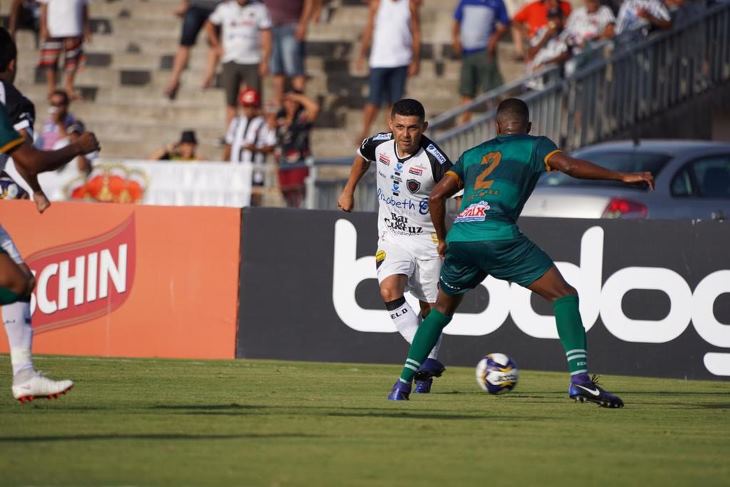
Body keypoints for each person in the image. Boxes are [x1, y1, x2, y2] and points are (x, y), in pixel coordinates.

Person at [387, 98, 654, 407]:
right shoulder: (535, 145)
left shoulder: (472, 154)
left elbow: (436, 196)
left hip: (462, 236)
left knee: (440, 312)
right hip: (499, 235)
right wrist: (621, 177)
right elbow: (569, 166)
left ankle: (402, 384)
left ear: (497, 127)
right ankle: (580, 380)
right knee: (564, 295)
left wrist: (444, 239)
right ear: (528, 127)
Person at [0, 27, 100, 403]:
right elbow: (29, 158)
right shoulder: (9, 99)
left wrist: (34, 190)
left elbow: (15, 160)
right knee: (17, 282)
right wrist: (78, 147)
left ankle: (24, 373)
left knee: (18, 281)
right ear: (11, 65)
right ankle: (24, 373)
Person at [338, 98, 452, 394]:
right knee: (389, 290)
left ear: (424, 127)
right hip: (393, 237)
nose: (406, 134)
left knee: (430, 309)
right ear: (390, 125)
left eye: (413, 128)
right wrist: (348, 189)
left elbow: (458, 195)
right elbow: (362, 155)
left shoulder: (436, 161)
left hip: (428, 243)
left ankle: (425, 371)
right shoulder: (379, 145)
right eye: (400, 127)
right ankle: (425, 360)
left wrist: (451, 236)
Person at [356, 0, 421, 143]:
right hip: (379, 60)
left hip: (401, 60)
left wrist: (415, 59)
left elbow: (416, 32)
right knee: (373, 100)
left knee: (395, 102)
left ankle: (389, 134)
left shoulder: (409, 5)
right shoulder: (378, 4)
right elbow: (369, 28)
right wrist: (361, 54)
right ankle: (364, 132)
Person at [206, 0, 272, 129]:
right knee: (231, 101)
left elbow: (266, 35)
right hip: (230, 59)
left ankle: (254, 133)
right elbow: (209, 25)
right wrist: (216, 45)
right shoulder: (224, 8)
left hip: (252, 60)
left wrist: (265, 60)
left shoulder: (260, 8)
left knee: (255, 101)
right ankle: (231, 134)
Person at [452, 0, 510, 124]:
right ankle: (465, 122)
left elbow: (505, 23)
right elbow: (457, 21)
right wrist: (455, 39)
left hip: (485, 52)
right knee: (467, 89)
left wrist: (494, 39)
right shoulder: (466, 1)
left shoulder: (496, 2)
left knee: (492, 89)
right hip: (467, 52)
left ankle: (501, 123)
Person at [224, 88, 277, 206]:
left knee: (253, 206)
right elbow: (229, 144)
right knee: (234, 204)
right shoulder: (236, 122)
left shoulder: (264, 124)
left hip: (255, 173)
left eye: (252, 107)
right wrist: (225, 165)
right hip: (236, 171)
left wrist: (255, 149)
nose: (249, 110)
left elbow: (271, 147)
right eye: (246, 106)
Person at [164, 0, 222, 100]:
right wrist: (184, 4)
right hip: (197, 6)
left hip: (217, 7)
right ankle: (174, 80)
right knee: (185, 43)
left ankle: (208, 78)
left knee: (213, 43)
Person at [263, 0, 315, 107]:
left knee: (295, 69)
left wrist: (303, 23)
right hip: (270, 25)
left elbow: (309, 2)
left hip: (292, 25)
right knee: (276, 70)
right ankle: (279, 106)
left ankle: (298, 105)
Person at [38, 0, 91, 99]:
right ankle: (51, 89)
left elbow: (85, 7)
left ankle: (69, 88)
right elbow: (44, 6)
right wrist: (43, 26)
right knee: (50, 61)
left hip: (75, 27)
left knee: (73, 60)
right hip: (53, 27)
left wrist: (86, 29)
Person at [274, 89, 318, 208]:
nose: (291, 104)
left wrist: (297, 97)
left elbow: (314, 108)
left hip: (299, 161)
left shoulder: (302, 118)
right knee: (286, 194)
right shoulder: (280, 118)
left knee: (298, 193)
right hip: (283, 162)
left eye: (294, 102)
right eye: (289, 101)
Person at [526, 7, 574, 75]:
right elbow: (530, 54)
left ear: (562, 19)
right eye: (551, 18)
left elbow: (566, 55)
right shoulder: (541, 31)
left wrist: (545, 64)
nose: (554, 21)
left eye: (556, 18)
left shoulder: (568, 34)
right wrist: (546, 37)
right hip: (536, 71)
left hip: (555, 72)